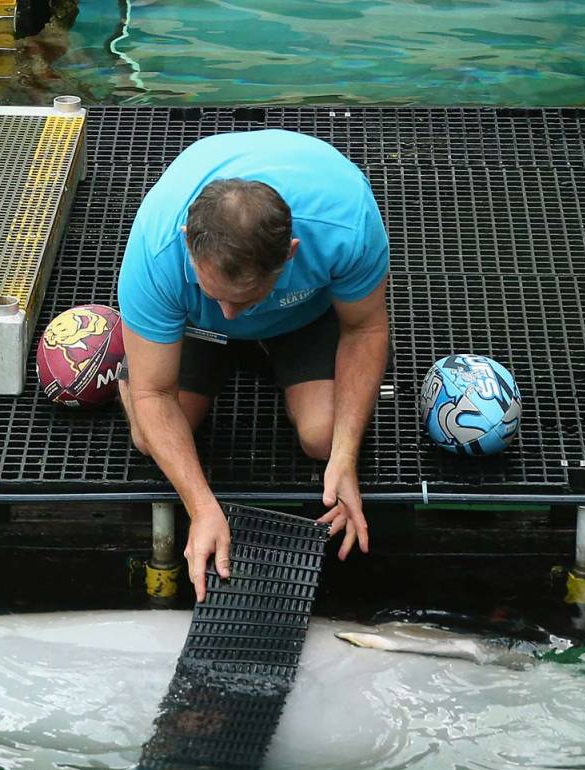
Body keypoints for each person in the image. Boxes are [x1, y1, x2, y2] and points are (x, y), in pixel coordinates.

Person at [116, 129, 390, 601]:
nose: (229, 314)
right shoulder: (157, 248)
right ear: (188, 241)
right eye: (216, 293)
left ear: (290, 254)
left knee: (324, 437)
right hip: (192, 323)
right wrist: (202, 507)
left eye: (244, 298)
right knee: (148, 432)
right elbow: (154, 395)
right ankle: (124, 355)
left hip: (302, 312)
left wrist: (345, 457)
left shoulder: (344, 222)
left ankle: (271, 345)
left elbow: (364, 329)